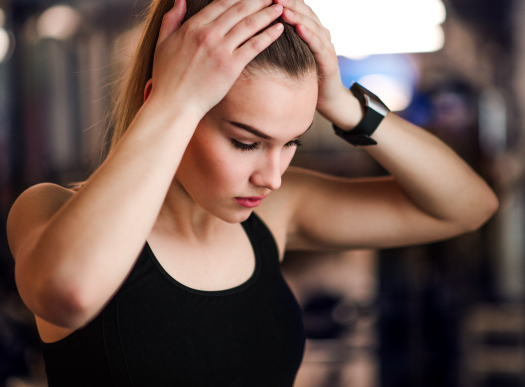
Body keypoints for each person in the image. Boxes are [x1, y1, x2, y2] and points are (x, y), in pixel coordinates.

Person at [6, 0, 499, 385]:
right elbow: (69, 293)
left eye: (291, 144)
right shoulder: (49, 209)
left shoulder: (276, 215)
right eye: (246, 142)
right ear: (170, 102)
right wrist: (174, 101)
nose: (273, 176)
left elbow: (470, 206)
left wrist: (346, 106)